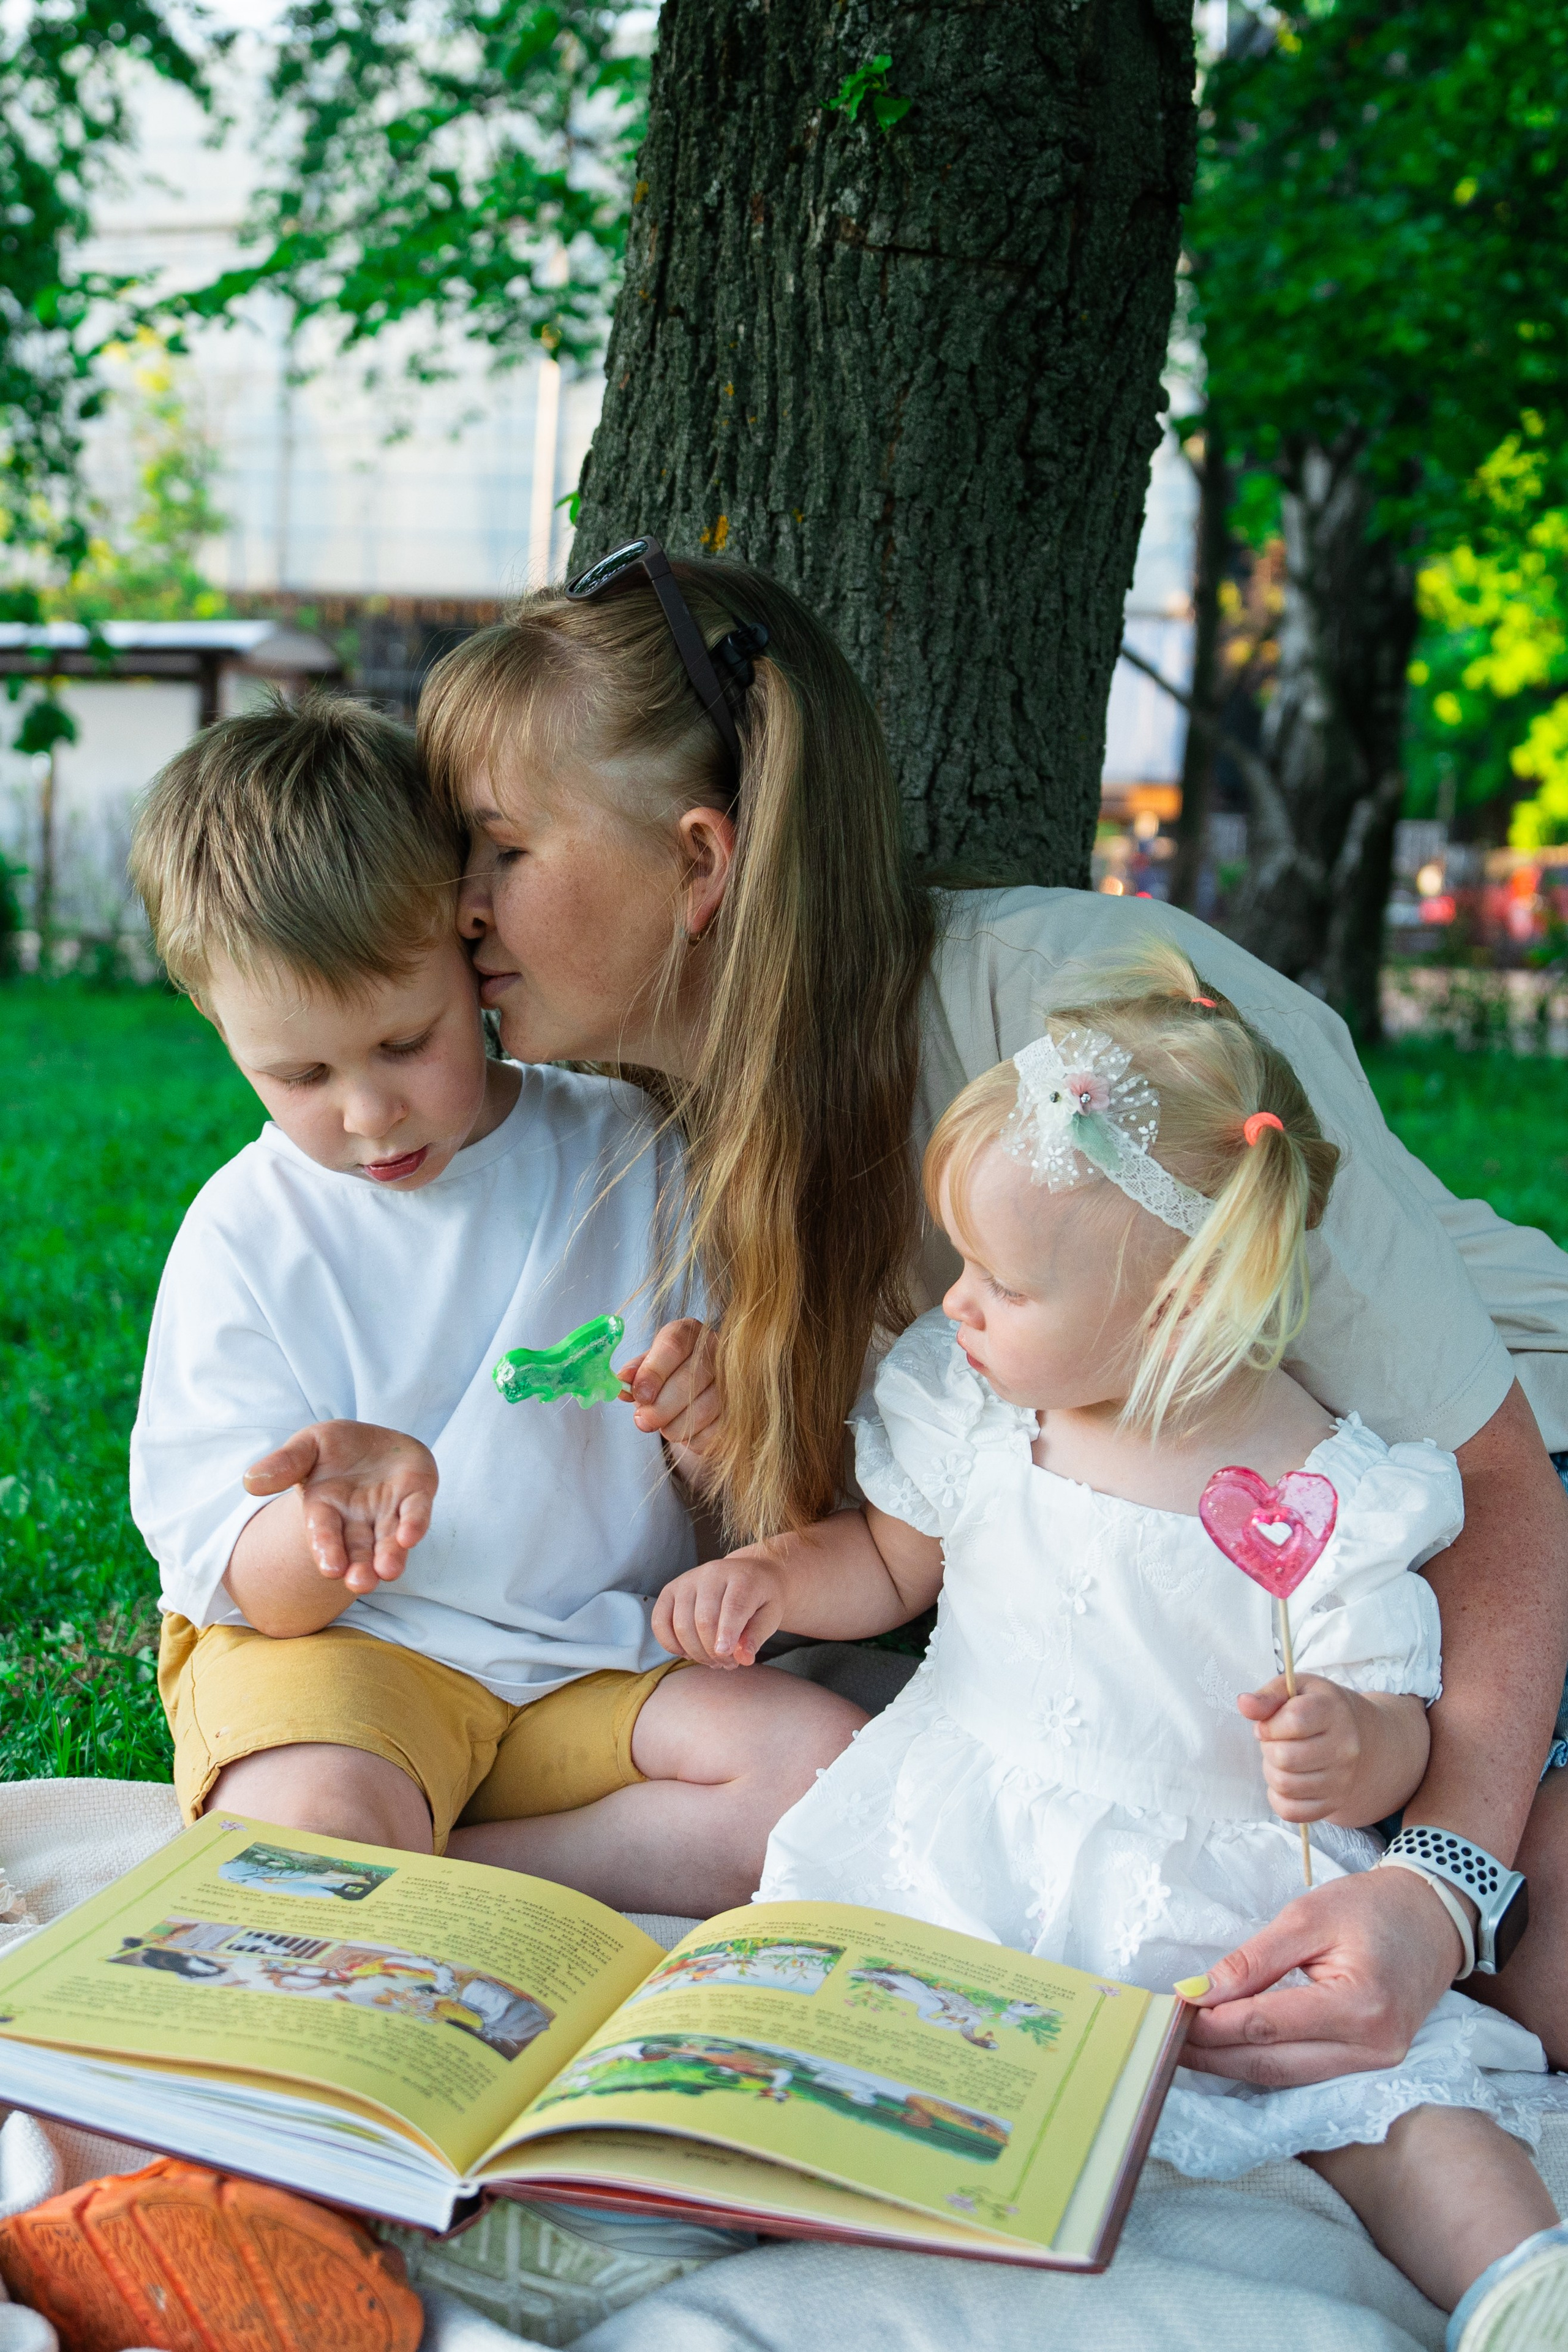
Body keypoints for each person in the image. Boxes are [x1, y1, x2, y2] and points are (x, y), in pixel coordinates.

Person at [418, 543, 1568, 2076]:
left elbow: (1484, 1469)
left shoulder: (1081, 1023)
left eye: (496, 851)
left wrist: (1440, 1885)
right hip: (1194, 1630)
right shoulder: (643, 1131)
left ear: (698, 864)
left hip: (1478, 1524)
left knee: (1506, 1973)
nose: (459, 909)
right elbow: (927, 1524)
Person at [658, 943, 1566, 2350]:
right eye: (960, 1260)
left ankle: (1516, 2278)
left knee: (1390, 2105)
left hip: (1215, 1894)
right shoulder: (974, 1414)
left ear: (1179, 1310)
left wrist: (1347, 1735)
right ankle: (647, 2198)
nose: (953, 1301)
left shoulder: (1326, 1489)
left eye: (1000, 1284)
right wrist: (779, 1578)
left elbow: (1397, 1716)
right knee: (802, 2023)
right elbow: (894, 1560)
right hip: (962, 1850)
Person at [126, 695, 862, 1915]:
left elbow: (741, 1497)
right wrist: (329, 1532)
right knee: (312, 1814)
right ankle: (367, 1853)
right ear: (220, 1026)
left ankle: (440, 1878)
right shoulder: (248, 1235)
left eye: (406, 1043)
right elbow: (240, 1581)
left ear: (468, 950)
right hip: (352, 1670)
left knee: (827, 1782)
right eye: (300, 1074)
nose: (369, 1116)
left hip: (584, 1664)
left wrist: (713, 1416)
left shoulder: (631, 1152)